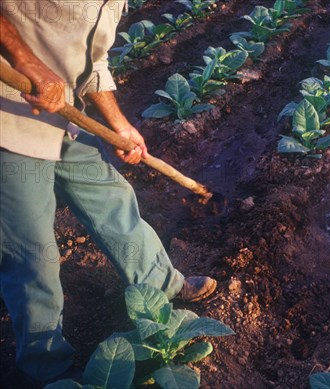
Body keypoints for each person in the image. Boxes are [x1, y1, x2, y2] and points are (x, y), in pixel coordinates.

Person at [0, 0, 217, 384]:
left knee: (112, 199)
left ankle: (161, 285)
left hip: (61, 117)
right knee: (32, 253)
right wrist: (26, 61)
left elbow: (92, 62)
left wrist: (119, 125)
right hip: (9, 120)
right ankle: (46, 368)